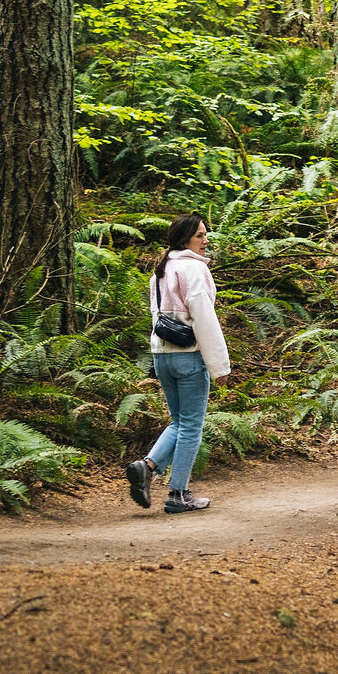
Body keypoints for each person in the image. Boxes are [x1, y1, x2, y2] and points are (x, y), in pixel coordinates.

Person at [126, 214, 231, 513]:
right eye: (200, 235)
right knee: (191, 426)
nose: (206, 240)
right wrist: (219, 366)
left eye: (205, 234)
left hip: (162, 356)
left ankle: (147, 467)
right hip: (189, 357)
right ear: (185, 239)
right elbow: (204, 319)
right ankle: (178, 494)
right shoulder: (194, 270)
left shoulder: (160, 270)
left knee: (179, 422)